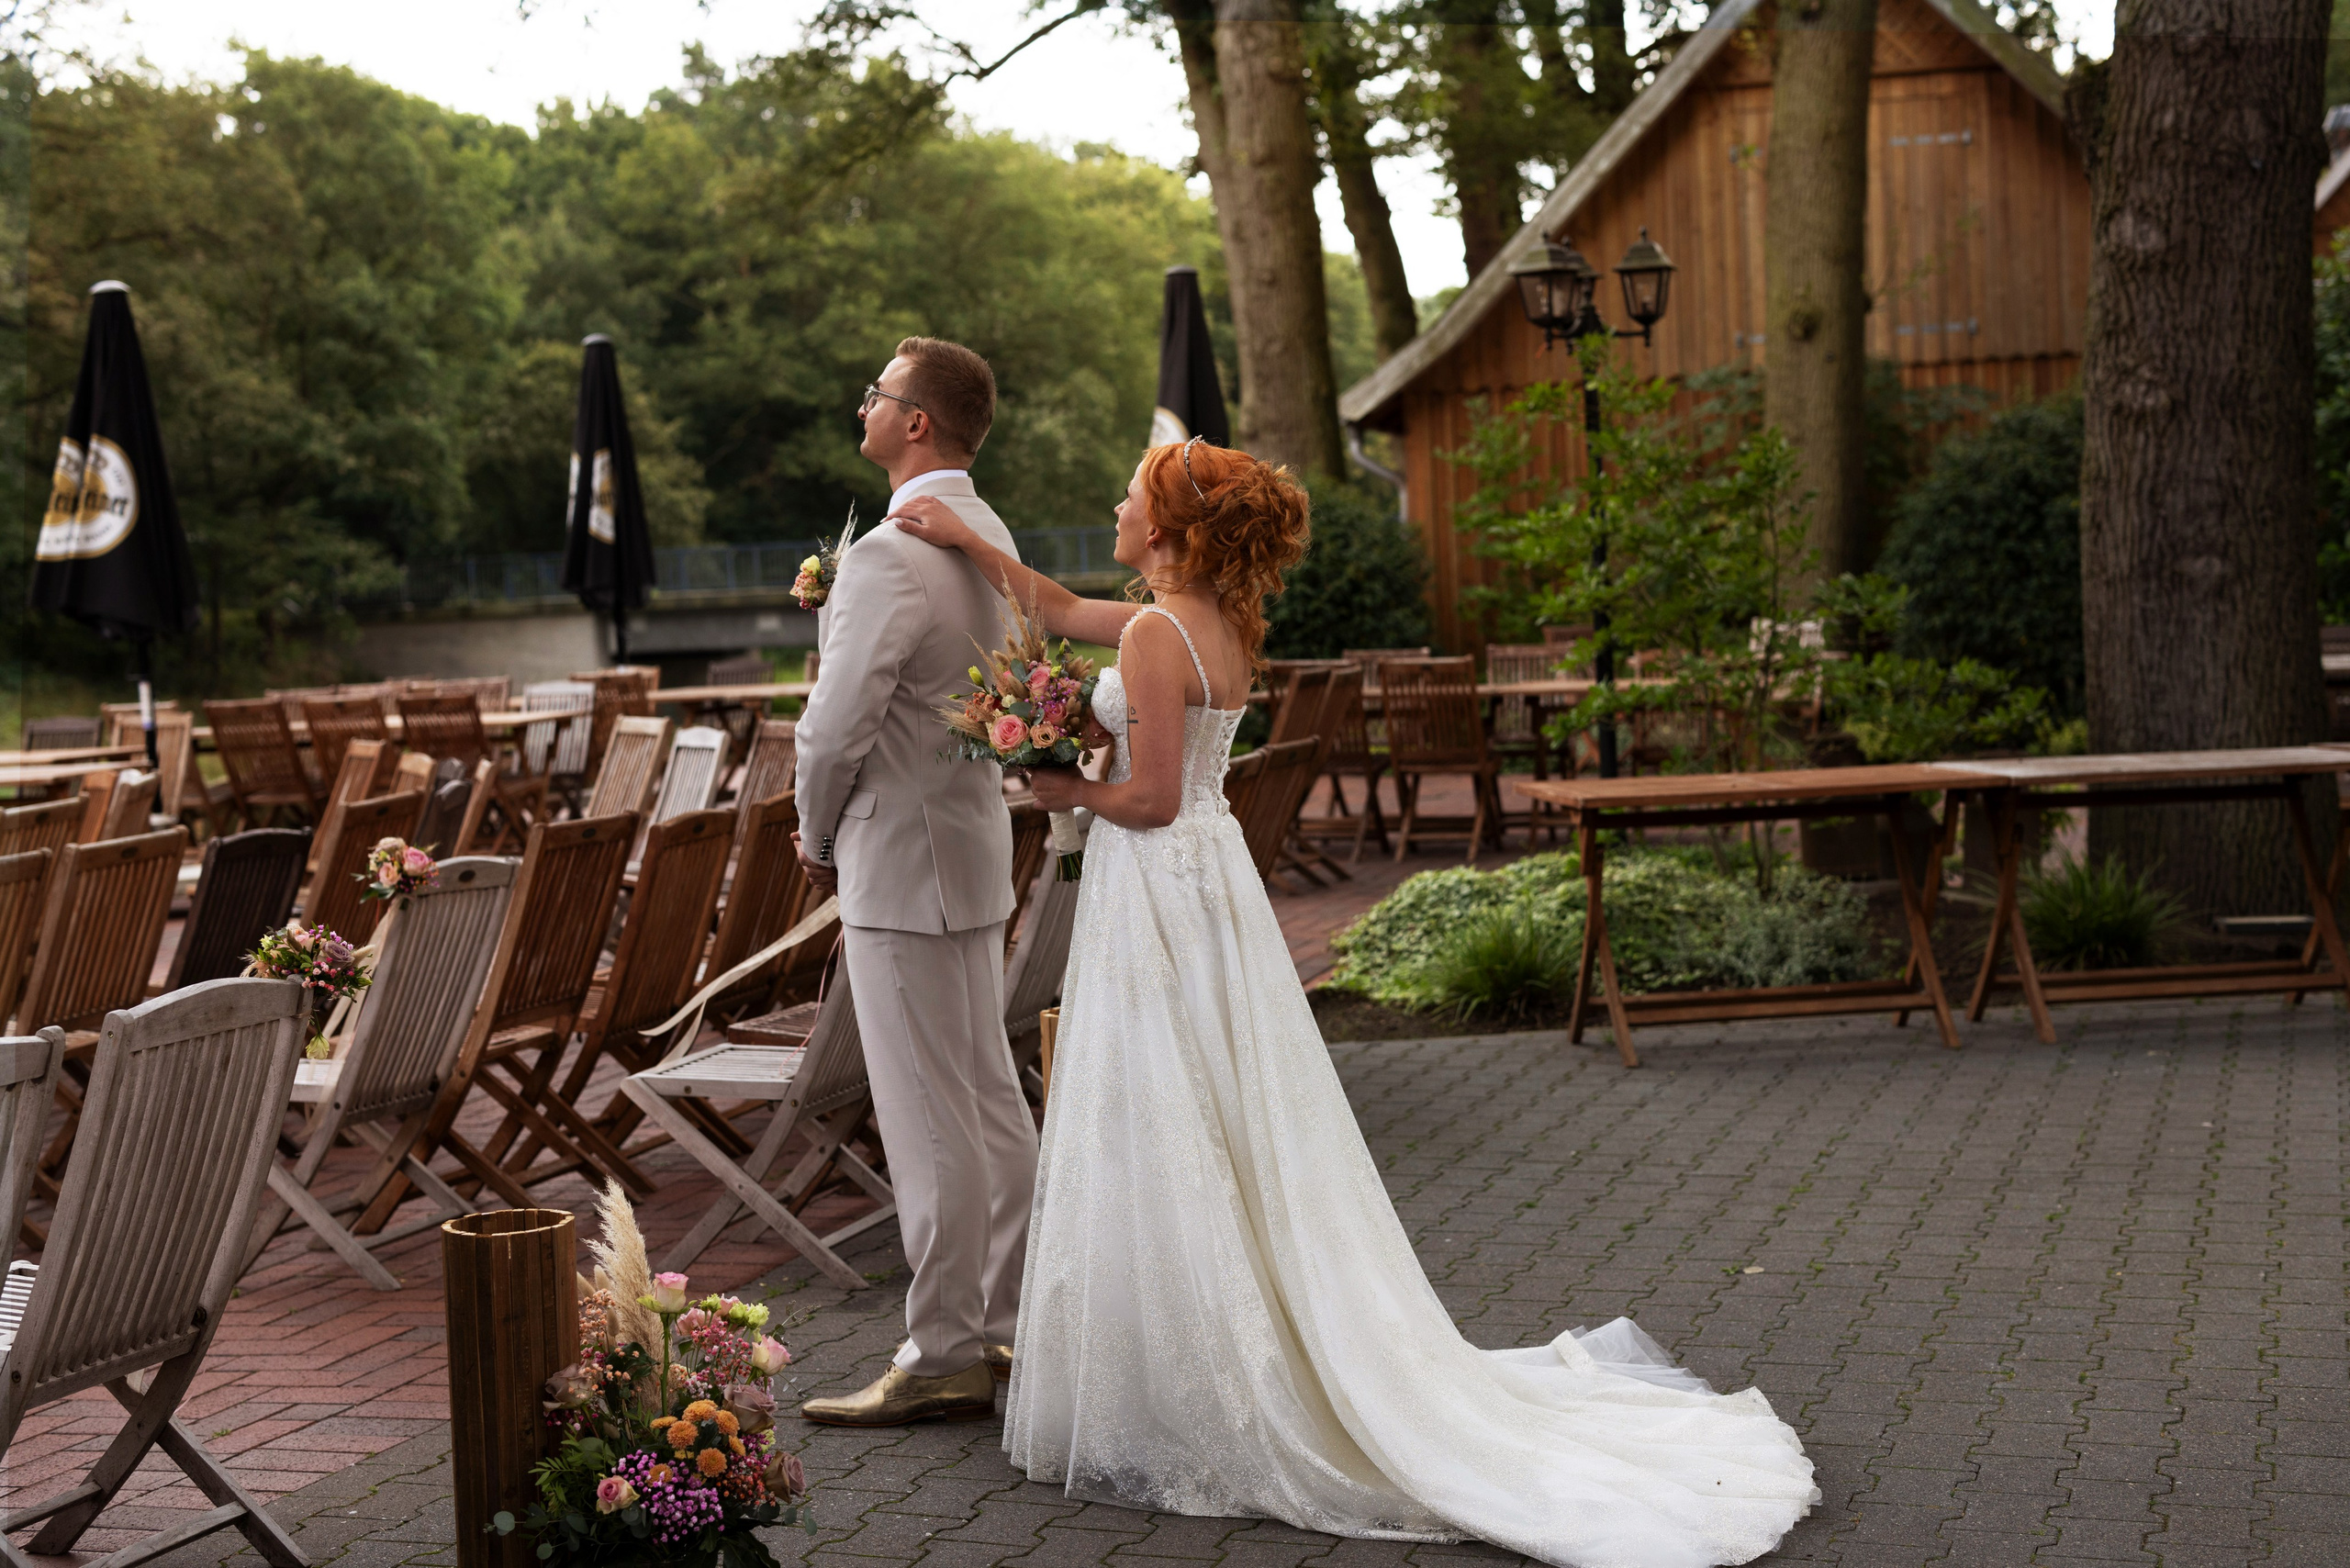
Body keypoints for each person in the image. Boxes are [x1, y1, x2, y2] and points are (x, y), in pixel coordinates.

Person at [888, 438, 1818, 1568]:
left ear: (1166, 530)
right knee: (1215, 1112)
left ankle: (1197, 1381)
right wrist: (970, 543)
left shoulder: (1152, 633)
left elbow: (1149, 796)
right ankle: (1204, 1346)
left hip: (1160, 886)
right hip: (1208, 885)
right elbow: (1060, 608)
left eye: (1128, 497)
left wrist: (1055, 786)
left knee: (1163, 1110)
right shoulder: (1206, 624)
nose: (1116, 507)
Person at [791, 337, 1037, 1427]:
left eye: (877, 395)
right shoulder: (991, 533)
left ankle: (942, 1348)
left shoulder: (890, 554)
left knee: (928, 1113)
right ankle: (1005, 1318)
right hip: (971, 848)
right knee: (985, 1097)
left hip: (896, 858)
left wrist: (814, 835)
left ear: (917, 421)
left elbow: (833, 725)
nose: (865, 406)